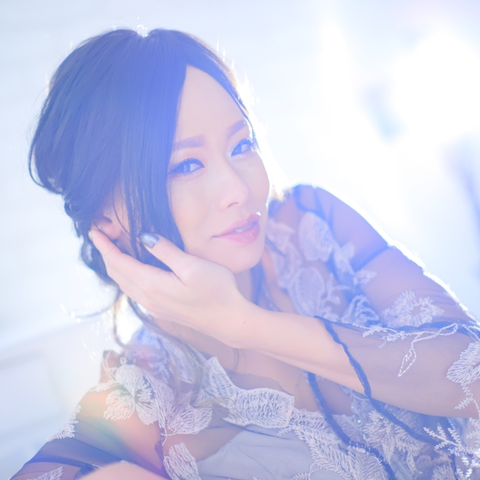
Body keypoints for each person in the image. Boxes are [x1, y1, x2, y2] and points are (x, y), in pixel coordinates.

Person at [11, 27, 480, 480]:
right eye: (186, 165)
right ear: (106, 217)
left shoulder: (310, 224)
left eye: (241, 144)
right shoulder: (147, 390)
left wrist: (245, 324)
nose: (239, 188)